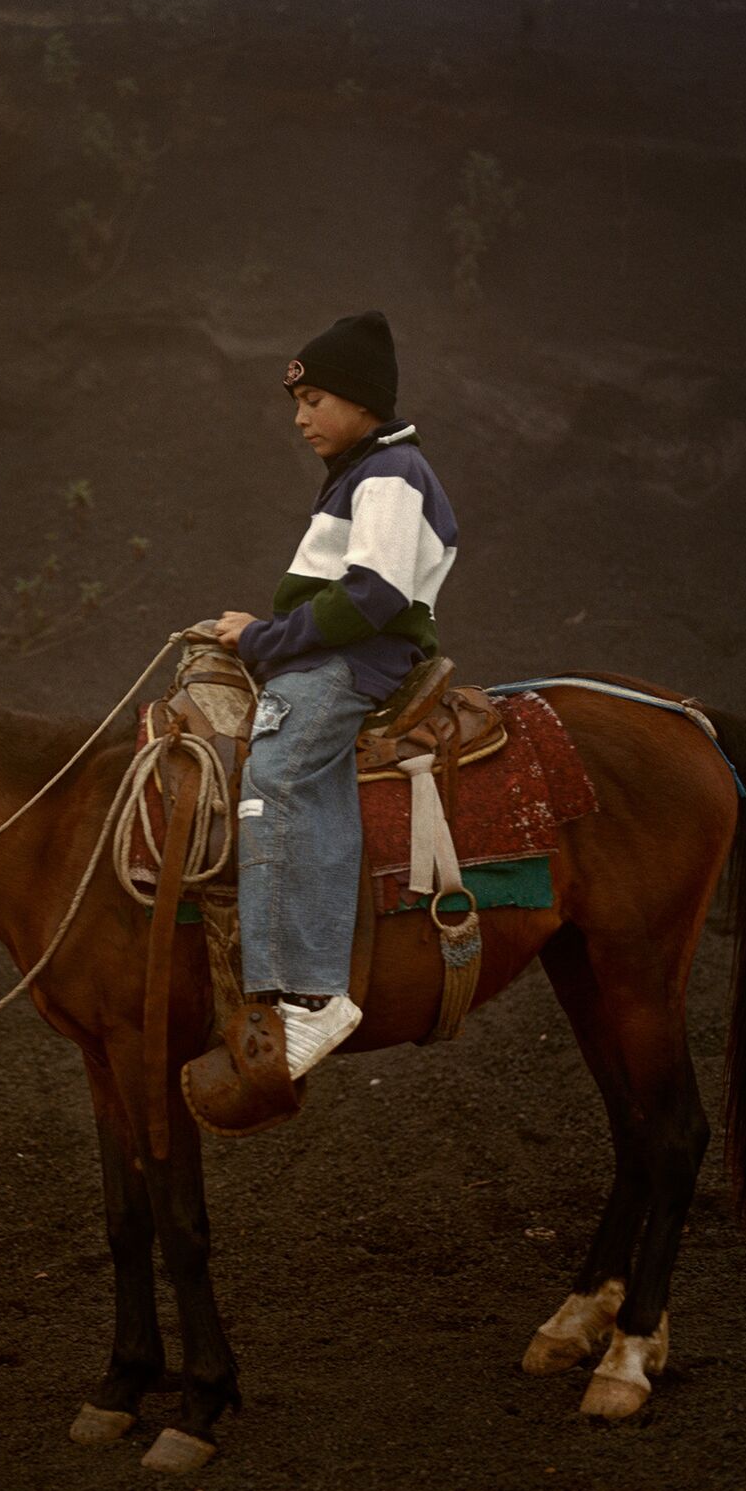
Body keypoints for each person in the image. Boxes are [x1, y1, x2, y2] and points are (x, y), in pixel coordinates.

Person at [214, 310, 458, 1080]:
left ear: (361, 401)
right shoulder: (365, 475)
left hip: (355, 663)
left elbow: (374, 596)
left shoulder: (390, 475)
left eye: (314, 399)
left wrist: (263, 640)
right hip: (339, 655)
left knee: (281, 775)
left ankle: (315, 994)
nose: (300, 418)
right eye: (298, 402)